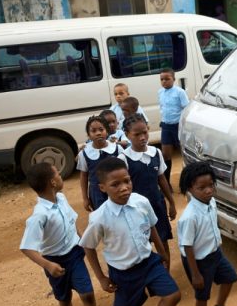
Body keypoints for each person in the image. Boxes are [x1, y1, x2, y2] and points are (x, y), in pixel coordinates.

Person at [80, 157, 181, 306]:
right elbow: (88, 246)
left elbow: (152, 228)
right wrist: (101, 277)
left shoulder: (141, 202)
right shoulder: (100, 218)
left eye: (127, 181)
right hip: (123, 271)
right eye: (115, 184)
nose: (124, 188)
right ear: (102, 188)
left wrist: (162, 254)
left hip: (149, 261)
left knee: (173, 295)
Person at [20, 162, 108, 306]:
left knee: (87, 293)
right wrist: (48, 265)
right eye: (58, 174)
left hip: (75, 254)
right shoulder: (39, 215)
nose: (61, 177)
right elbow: (27, 248)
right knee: (64, 297)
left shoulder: (61, 198)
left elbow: (71, 222)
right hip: (55, 261)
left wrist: (82, 241)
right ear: (52, 182)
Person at [178, 162, 237, 306]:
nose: (208, 190)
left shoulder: (211, 202)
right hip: (198, 260)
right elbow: (187, 246)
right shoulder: (190, 216)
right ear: (190, 188)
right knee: (202, 295)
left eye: (210, 185)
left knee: (230, 278)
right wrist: (195, 273)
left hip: (215, 253)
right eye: (201, 188)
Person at [119, 113, 176, 258]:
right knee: (141, 244)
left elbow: (161, 179)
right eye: (136, 134)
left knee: (163, 241)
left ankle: (165, 274)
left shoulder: (156, 153)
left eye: (145, 132)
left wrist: (172, 202)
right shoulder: (124, 158)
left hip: (157, 205)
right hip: (136, 210)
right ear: (127, 135)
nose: (142, 137)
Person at [77, 115, 123, 212]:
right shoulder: (84, 153)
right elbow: (84, 176)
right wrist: (85, 198)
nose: (98, 133)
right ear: (88, 135)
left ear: (106, 131)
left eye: (101, 129)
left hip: (117, 190)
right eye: (93, 131)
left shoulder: (117, 149)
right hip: (97, 194)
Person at [158, 69, 190, 186]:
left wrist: (183, 125)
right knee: (165, 155)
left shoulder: (179, 92)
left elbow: (186, 108)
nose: (164, 81)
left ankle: (186, 182)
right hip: (166, 126)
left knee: (184, 154)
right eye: (162, 79)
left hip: (178, 126)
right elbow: (162, 108)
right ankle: (167, 183)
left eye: (167, 79)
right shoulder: (160, 92)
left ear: (174, 79)